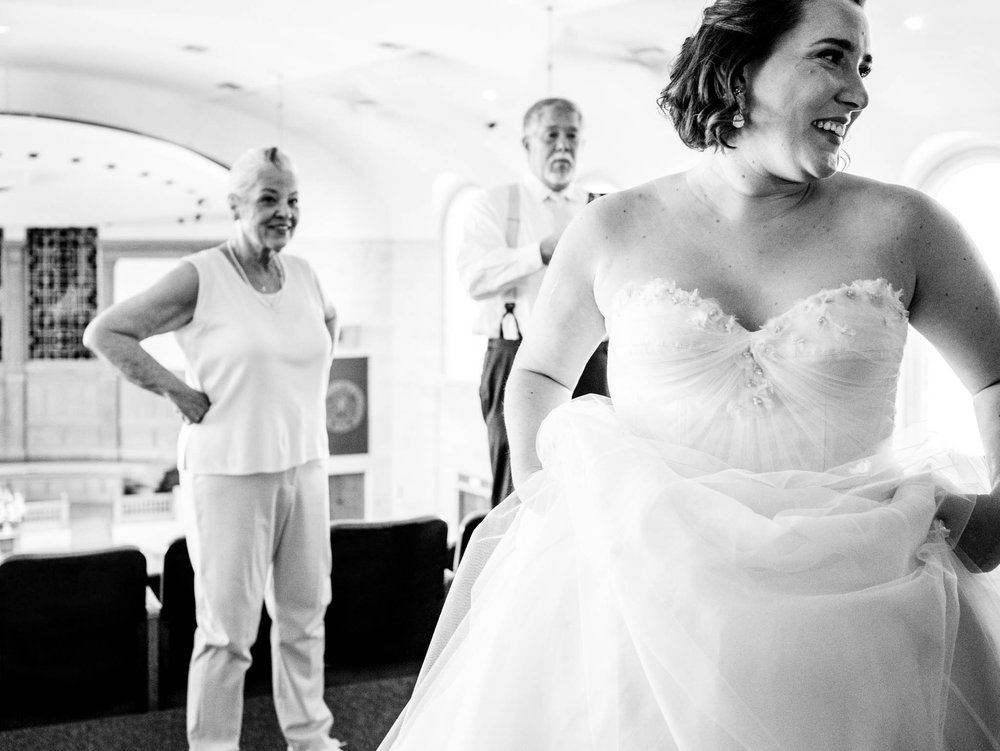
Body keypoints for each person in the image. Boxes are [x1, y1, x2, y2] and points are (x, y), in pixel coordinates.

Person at [381, 0, 1000, 748]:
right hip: (645, 604)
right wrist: (556, 503)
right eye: (833, 57)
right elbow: (540, 371)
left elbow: (996, 377)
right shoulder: (614, 226)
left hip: (868, 595)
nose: (859, 93)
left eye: (863, 67)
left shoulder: (908, 225)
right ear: (741, 66)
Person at [83, 146, 343, 751]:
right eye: (269, 199)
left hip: (304, 464)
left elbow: (330, 323)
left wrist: (304, 394)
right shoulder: (202, 274)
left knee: (305, 617)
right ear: (235, 205)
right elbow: (107, 332)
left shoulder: (303, 273)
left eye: (294, 199)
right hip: (228, 472)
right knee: (227, 633)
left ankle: (310, 737)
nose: (285, 212)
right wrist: (178, 391)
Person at [457, 97, 610, 507]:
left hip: (593, 359)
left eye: (572, 136)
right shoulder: (495, 204)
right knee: (519, 487)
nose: (563, 147)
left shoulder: (602, 206)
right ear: (528, 143)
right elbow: (474, 278)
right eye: (551, 136)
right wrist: (539, 252)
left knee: (597, 480)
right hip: (514, 355)